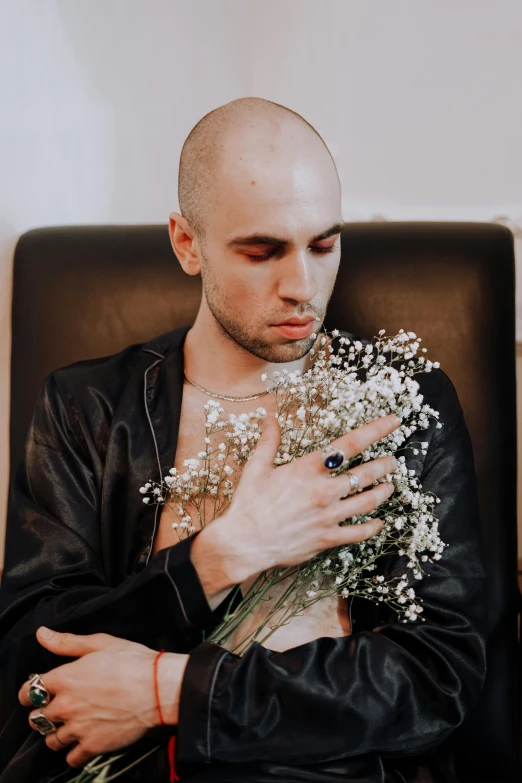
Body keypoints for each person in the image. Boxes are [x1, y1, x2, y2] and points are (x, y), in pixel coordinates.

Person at [0, 98, 487, 783]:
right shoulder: (88, 409)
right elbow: (33, 664)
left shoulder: (403, 409)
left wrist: (172, 689)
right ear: (186, 243)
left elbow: (439, 674)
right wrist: (226, 554)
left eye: (325, 244)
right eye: (262, 251)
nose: (302, 287)